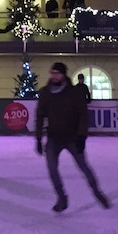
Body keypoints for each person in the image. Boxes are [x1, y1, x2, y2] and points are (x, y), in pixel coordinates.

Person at [35, 62, 110, 213]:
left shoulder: (73, 92)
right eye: (53, 73)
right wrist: (38, 139)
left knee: (84, 167)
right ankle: (62, 198)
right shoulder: (45, 93)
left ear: (63, 75)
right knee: (51, 169)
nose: (54, 76)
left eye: (57, 73)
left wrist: (82, 137)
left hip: (72, 138)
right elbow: (40, 116)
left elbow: (83, 115)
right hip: (54, 138)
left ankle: (97, 192)